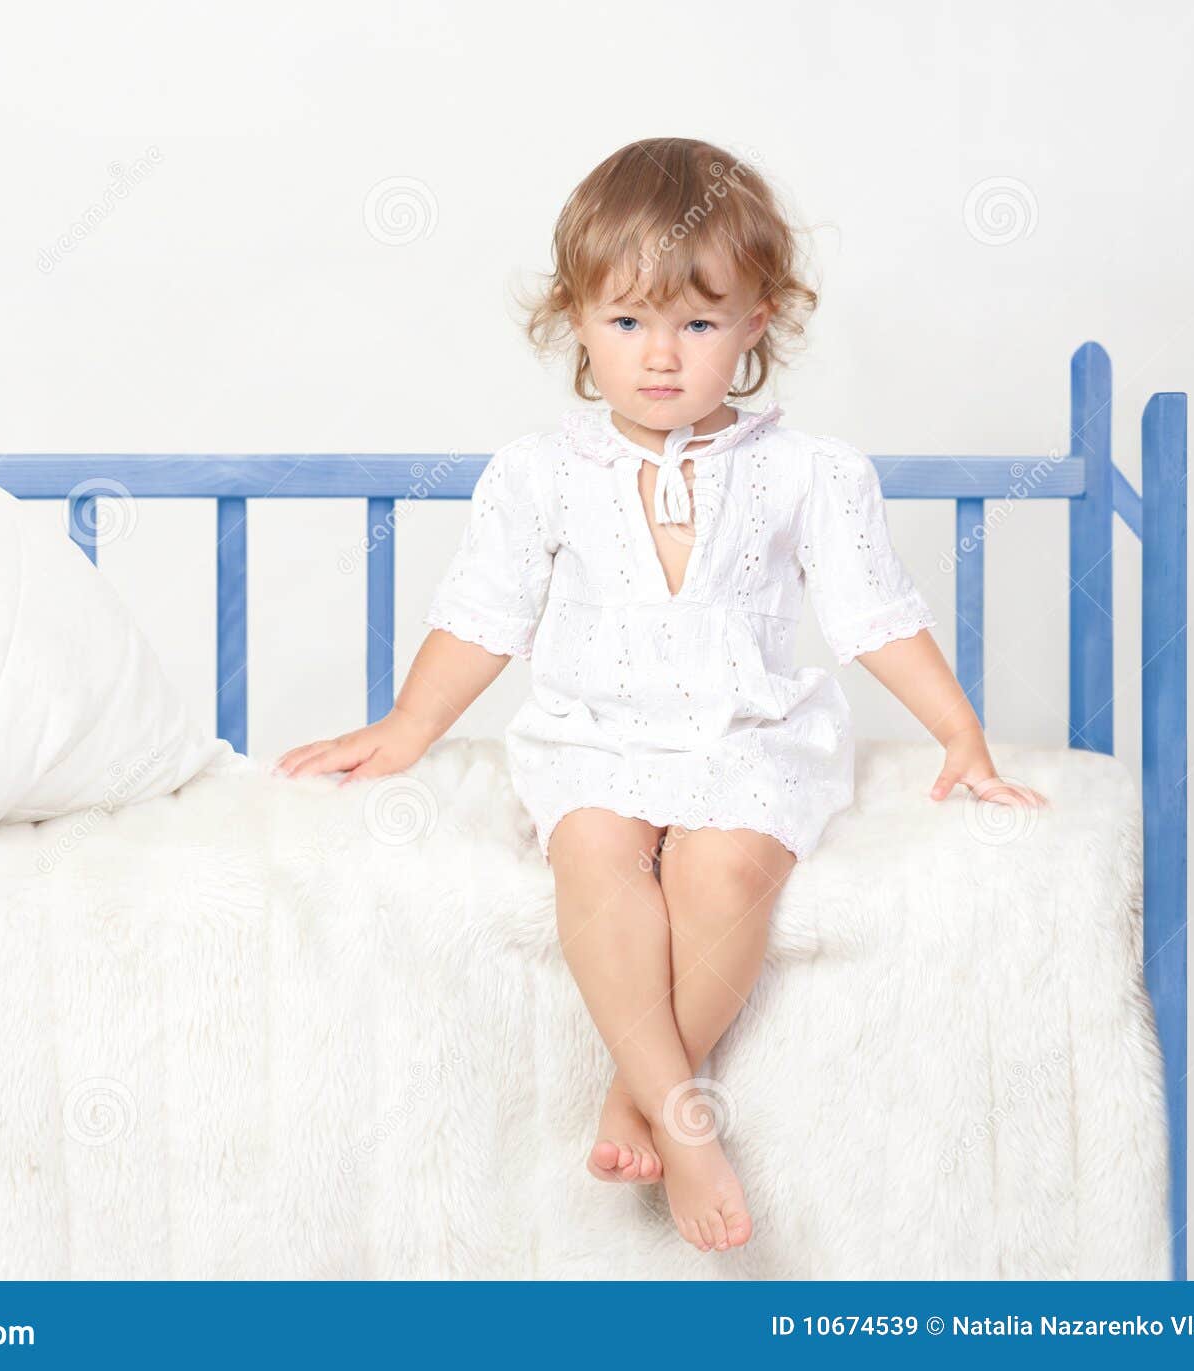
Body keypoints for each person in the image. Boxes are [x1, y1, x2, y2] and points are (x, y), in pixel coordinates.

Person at [273, 136, 1046, 1255]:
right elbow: (481, 616)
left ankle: (639, 1095)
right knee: (595, 848)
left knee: (720, 863)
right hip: (595, 734)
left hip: (749, 732)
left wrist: (960, 733)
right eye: (626, 322)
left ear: (758, 320)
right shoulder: (540, 474)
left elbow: (874, 611)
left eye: (696, 322)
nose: (661, 357)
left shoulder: (806, 473)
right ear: (575, 320)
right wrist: (407, 728)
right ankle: (685, 1118)